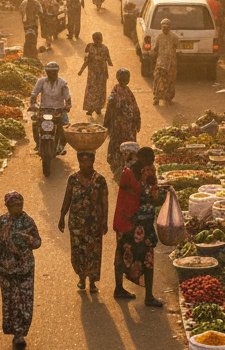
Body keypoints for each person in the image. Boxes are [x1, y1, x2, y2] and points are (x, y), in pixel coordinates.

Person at [0, 192, 42, 348]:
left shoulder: (28, 222)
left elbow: (38, 242)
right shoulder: (1, 222)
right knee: (10, 302)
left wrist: (30, 240)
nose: (17, 208)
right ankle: (15, 332)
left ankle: (20, 333)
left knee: (24, 301)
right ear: (7, 206)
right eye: (14, 205)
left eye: (20, 205)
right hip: (6, 271)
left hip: (25, 270)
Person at [113, 146, 163, 307]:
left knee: (122, 252)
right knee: (147, 257)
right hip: (142, 222)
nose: (154, 159)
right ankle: (148, 296)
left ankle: (119, 288)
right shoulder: (148, 171)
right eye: (153, 157)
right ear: (149, 159)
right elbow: (153, 196)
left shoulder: (127, 170)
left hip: (125, 221)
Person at [58, 151, 109, 292]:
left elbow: (105, 201)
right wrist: (62, 216)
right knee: (78, 250)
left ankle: (92, 282)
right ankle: (81, 278)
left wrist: (104, 221)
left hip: (94, 223)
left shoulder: (100, 180)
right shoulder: (73, 179)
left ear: (92, 162)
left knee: (94, 251)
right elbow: (67, 198)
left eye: (87, 162)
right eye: (82, 162)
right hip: (76, 224)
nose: (84, 165)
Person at [104, 69, 142, 179]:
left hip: (129, 126)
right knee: (118, 145)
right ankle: (118, 167)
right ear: (118, 78)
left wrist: (136, 121)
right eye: (124, 78)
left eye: (127, 78)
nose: (126, 80)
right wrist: (106, 122)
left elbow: (135, 108)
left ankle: (127, 167)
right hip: (118, 126)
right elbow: (110, 108)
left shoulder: (128, 91)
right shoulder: (115, 92)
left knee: (127, 146)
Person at [30, 61, 72, 155]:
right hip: (44, 110)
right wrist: (33, 104)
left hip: (59, 111)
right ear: (46, 72)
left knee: (65, 128)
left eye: (53, 72)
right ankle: (38, 143)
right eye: (49, 72)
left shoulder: (63, 83)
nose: (51, 74)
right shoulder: (41, 81)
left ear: (57, 72)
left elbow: (67, 98)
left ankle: (60, 146)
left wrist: (67, 107)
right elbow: (34, 94)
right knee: (35, 124)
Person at [81, 31, 114, 117]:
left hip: (101, 74)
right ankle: (91, 108)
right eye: (96, 39)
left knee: (98, 91)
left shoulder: (103, 48)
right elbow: (86, 58)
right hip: (93, 74)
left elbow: (109, 60)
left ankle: (97, 108)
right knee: (93, 91)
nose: (97, 41)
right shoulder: (91, 47)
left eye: (98, 39)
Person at [151, 19, 179, 106]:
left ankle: (168, 98)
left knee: (169, 80)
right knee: (158, 79)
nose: (164, 29)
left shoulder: (174, 37)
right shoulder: (159, 37)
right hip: (160, 61)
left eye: (166, 27)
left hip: (170, 62)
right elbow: (155, 48)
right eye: (163, 27)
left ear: (169, 27)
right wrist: (152, 53)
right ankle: (156, 97)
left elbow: (178, 48)